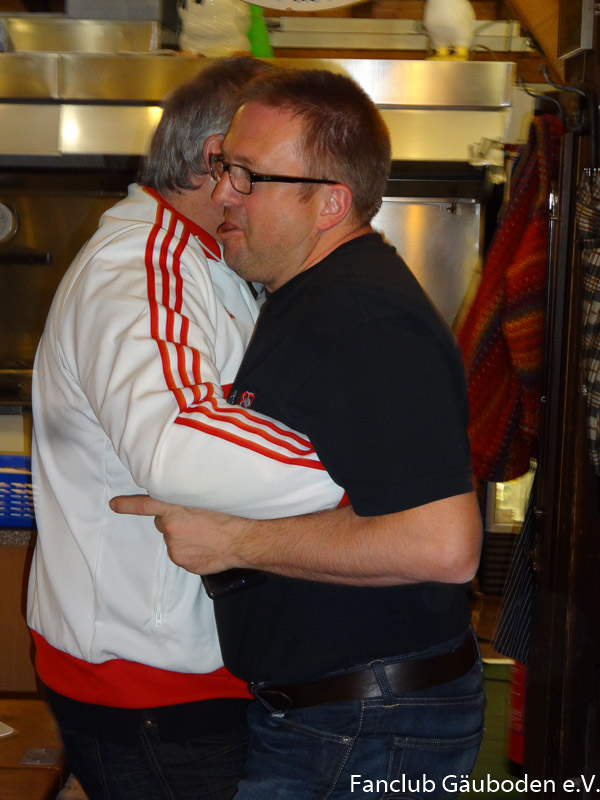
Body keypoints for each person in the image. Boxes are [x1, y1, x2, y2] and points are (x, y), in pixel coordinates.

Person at [111, 68, 485, 799]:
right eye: (225, 167)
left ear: (330, 203)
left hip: (368, 727)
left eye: (249, 176)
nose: (223, 192)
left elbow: (443, 545)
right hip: (340, 717)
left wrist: (234, 542)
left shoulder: (366, 320)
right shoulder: (309, 297)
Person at [27, 57, 346, 800]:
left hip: (182, 665)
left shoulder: (205, 260)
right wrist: (363, 477)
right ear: (217, 160)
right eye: (277, 169)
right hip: (150, 679)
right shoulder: (144, 267)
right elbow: (181, 440)